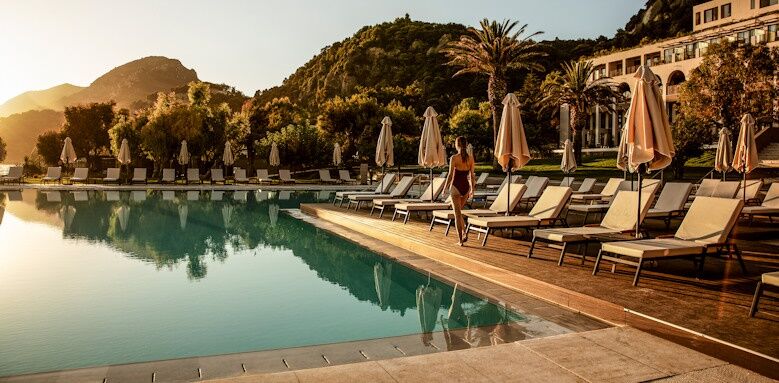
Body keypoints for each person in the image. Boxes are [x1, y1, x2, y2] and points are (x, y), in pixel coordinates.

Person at [445, 136, 475, 246]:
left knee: (457, 214)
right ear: (466, 145)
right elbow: (471, 176)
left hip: (455, 188)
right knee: (459, 212)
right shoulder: (471, 158)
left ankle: (460, 240)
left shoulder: (454, 158)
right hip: (465, 188)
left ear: (456, 145)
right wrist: (472, 190)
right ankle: (464, 232)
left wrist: (444, 188)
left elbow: (450, 175)